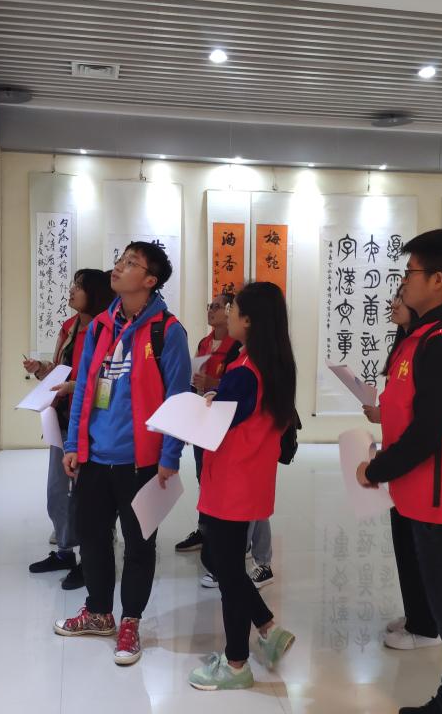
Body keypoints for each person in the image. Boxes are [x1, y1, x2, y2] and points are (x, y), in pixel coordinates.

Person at [357, 229, 442, 714]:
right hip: (427, 498)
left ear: (438, 280)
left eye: (410, 272)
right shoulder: (426, 336)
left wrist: (377, 468)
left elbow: (428, 430)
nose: (403, 281)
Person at [53, 242, 190, 667]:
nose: (118, 267)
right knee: (93, 539)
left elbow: (178, 398)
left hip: (140, 463)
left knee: (139, 545)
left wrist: (170, 456)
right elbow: (85, 389)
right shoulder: (100, 327)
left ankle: (130, 620)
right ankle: (99, 612)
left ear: (150, 280)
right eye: (120, 260)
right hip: (96, 458)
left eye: (131, 263)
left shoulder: (167, 331)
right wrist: (74, 444)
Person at [187, 282, 297, 692]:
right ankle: (267, 628)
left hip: (230, 483)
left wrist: (194, 408)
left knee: (227, 572)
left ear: (248, 320)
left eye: (232, 309)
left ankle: (236, 665)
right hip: (249, 480)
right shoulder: (269, 364)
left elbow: (216, 423)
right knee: (225, 564)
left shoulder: (245, 372)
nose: (226, 315)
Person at [24, 269, 115, 591]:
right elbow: (59, 372)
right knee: (57, 491)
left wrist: (74, 387)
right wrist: (41, 370)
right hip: (62, 419)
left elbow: (109, 382)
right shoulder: (69, 327)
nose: (72, 290)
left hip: (93, 423)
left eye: (79, 286)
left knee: (86, 496)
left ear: (95, 293)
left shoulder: (107, 330)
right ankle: (64, 552)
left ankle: (88, 561)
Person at [362, 287, 441, 650]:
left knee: (419, 551)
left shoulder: (431, 346)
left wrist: (380, 466)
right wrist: (382, 415)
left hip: (416, 469)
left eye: (402, 296)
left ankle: (426, 628)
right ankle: (416, 615)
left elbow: (424, 421)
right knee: (405, 547)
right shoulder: (405, 346)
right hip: (400, 467)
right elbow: (403, 405)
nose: (394, 303)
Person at [175, 291, 241, 554]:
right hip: (203, 416)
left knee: (225, 478)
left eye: (216, 306)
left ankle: (236, 537)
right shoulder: (203, 342)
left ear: (230, 311)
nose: (210, 310)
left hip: (226, 419)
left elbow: (241, 385)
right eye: (209, 306)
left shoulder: (237, 345)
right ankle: (205, 530)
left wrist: (214, 383)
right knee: (203, 474)